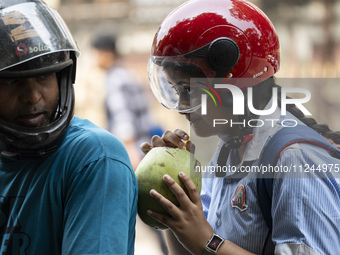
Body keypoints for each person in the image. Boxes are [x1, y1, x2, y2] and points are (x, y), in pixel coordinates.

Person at [140, 0, 340, 254]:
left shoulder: (295, 157)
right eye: (176, 90)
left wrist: (209, 241)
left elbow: (205, 244)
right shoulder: (227, 149)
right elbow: (194, 248)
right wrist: (172, 202)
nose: (181, 106)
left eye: (188, 89)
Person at [0, 1, 137, 254]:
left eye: (43, 76)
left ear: (62, 77)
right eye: (11, 81)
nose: (32, 96)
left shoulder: (94, 158)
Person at [91, 33, 161, 170]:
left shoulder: (114, 80)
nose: (95, 60)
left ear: (107, 54)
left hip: (133, 150)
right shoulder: (128, 74)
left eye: (97, 54)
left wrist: (129, 149)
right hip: (145, 146)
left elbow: (122, 116)